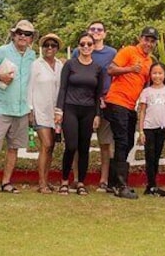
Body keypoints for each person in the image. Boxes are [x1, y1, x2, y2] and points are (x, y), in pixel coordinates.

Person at [0, 19, 37, 198]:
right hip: (1, 107)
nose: (22, 36)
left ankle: (6, 182)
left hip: (21, 108)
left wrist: (31, 108)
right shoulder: (1, 51)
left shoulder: (32, 55)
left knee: (14, 147)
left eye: (27, 34)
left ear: (31, 39)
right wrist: (0, 76)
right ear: (13, 35)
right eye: (19, 32)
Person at [103, 26, 157, 199]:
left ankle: (113, 182)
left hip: (130, 105)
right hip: (117, 100)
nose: (148, 43)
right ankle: (120, 185)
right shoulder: (128, 51)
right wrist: (130, 69)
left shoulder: (149, 61)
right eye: (146, 39)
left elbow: (147, 85)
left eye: (152, 41)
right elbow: (110, 69)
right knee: (122, 140)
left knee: (129, 142)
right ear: (140, 38)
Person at [56, 32, 105, 196]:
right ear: (78, 46)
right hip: (70, 107)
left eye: (89, 44)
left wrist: (98, 114)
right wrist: (59, 110)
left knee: (84, 147)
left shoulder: (98, 69)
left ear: (93, 47)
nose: (86, 47)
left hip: (88, 110)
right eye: (82, 44)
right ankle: (64, 180)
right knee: (71, 146)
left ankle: (81, 182)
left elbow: (98, 95)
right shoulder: (70, 65)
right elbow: (62, 88)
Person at [72, 21, 117, 192]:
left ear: (105, 33)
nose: (96, 32)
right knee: (78, 143)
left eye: (100, 30)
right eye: (93, 29)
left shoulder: (112, 53)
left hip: (105, 103)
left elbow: (116, 77)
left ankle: (104, 180)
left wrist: (109, 97)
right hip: (82, 102)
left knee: (105, 143)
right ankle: (77, 178)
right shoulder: (78, 51)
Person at [27, 33, 64, 194]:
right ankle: (41, 183)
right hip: (40, 110)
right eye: (46, 45)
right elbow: (29, 87)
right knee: (46, 144)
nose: (49, 48)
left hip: (55, 112)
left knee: (51, 148)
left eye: (53, 45)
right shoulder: (36, 65)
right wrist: (30, 109)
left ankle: (46, 181)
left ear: (57, 48)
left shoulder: (60, 65)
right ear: (42, 48)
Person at [138, 63, 165, 197]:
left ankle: (152, 185)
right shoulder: (146, 92)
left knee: (156, 156)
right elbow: (142, 111)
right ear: (150, 75)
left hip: (162, 128)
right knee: (149, 157)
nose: (157, 76)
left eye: (160, 73)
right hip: (149, 128)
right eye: (154, 73)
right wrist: (141, 131)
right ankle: (151, 186)